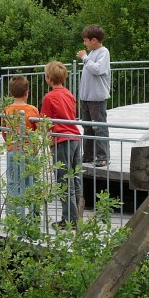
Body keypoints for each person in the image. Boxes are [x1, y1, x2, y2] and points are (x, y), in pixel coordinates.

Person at [40, 61, 82, 230]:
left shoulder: (49, 97)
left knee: (63, 181)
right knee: (75, 178)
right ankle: (76, 214)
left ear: (49, 79)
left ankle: (69, 220)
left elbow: (45, 120)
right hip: (75, 137)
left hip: (61, 140)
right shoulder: (68, 94)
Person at [2, 76, 39, 218]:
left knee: (13, 182)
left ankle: (12, 214)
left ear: (10, 93)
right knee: (32, 181)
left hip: (12, 150)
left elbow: (4, 130)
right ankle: (34, 213)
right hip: (29, 151)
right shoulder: (32, 110)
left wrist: (9, 143)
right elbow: (38, 129)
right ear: (27, 93)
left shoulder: (7, 110)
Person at [76, 24, 111, 167]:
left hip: (97, 98)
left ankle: (102, 156)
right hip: (87, 98)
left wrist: (84, 58)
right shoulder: (92, 53)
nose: (84, 43)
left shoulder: (104, 52)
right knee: (88, 127)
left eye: (86, 40)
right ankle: (89, 155)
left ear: (94, 40)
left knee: (99, 127)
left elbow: (97, 69)